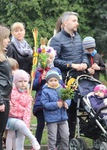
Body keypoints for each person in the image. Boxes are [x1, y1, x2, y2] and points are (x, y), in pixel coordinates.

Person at [50, 11, 88, 139]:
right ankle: (64, 140)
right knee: (68, 110)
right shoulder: (56, 39)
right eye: (74, 20)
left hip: (80, 78)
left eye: (77, 21)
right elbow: (54, 60)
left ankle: (73, 138)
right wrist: (72, 65)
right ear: (65, 22)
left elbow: (84, 54)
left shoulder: (78, 37)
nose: (77, 23)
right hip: (65, 79)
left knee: (79, 110)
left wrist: (84, 63)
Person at [33, 46, 64, 145]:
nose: (48, 59)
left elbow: (61, 84)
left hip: (53, 101)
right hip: (41, 102)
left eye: (50, 57)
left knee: (55, 125)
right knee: (40, 124)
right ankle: (36, 144)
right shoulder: (38, 70)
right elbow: (33, 86)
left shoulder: (57, 70)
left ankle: (54, 145)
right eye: (46, 57)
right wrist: (41, 78)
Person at [6, 69, 40, 150]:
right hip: (11, 119)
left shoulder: (28, 96)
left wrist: (27, 125)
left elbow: (27, 112)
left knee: (21, 136)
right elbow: (12, 107)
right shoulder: (12, 92)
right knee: (11, 134)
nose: (23, 83)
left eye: (25, 81)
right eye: (20, 81)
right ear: (15, 82)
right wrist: (22, 110)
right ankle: (32, 139)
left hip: (22, 120)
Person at [40, 70, 71, 150]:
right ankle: (51, 148)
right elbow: (45, 104)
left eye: (55, 80)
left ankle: (64, 148)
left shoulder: (61, 89)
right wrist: (56, 104)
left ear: (58, 80)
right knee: (52, 137)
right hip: (52, 118)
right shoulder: (45, 91)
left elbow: (68, 98)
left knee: (66, 136)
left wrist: (67, 103)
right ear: (47, 81)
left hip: (63, 117)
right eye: (51, 80)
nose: (53, 82)